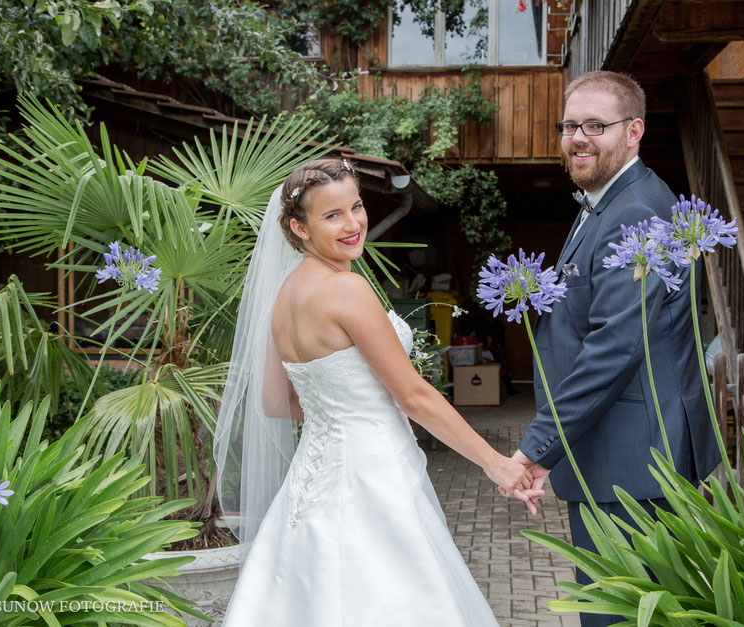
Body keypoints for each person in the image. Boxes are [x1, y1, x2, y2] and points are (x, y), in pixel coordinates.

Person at [214, 157, 540, 626]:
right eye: (332, 215)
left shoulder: (284, 295)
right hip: (372, 477)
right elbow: (413, 395)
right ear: (298, 228)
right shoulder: (347, 291)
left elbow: (274, 401)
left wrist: (339, 413)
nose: (354, 224)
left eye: (357, 206)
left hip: (313, 478)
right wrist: (498, 465)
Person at [507, 72, 721, 627]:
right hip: (615, 452)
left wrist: (536, 447)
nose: (578, 137)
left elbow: (615, 346)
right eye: (570, 125)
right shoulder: (602, 201)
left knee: (618, 615)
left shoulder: (637, 210)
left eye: (595, 126)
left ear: (634, 131)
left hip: (633, 458)